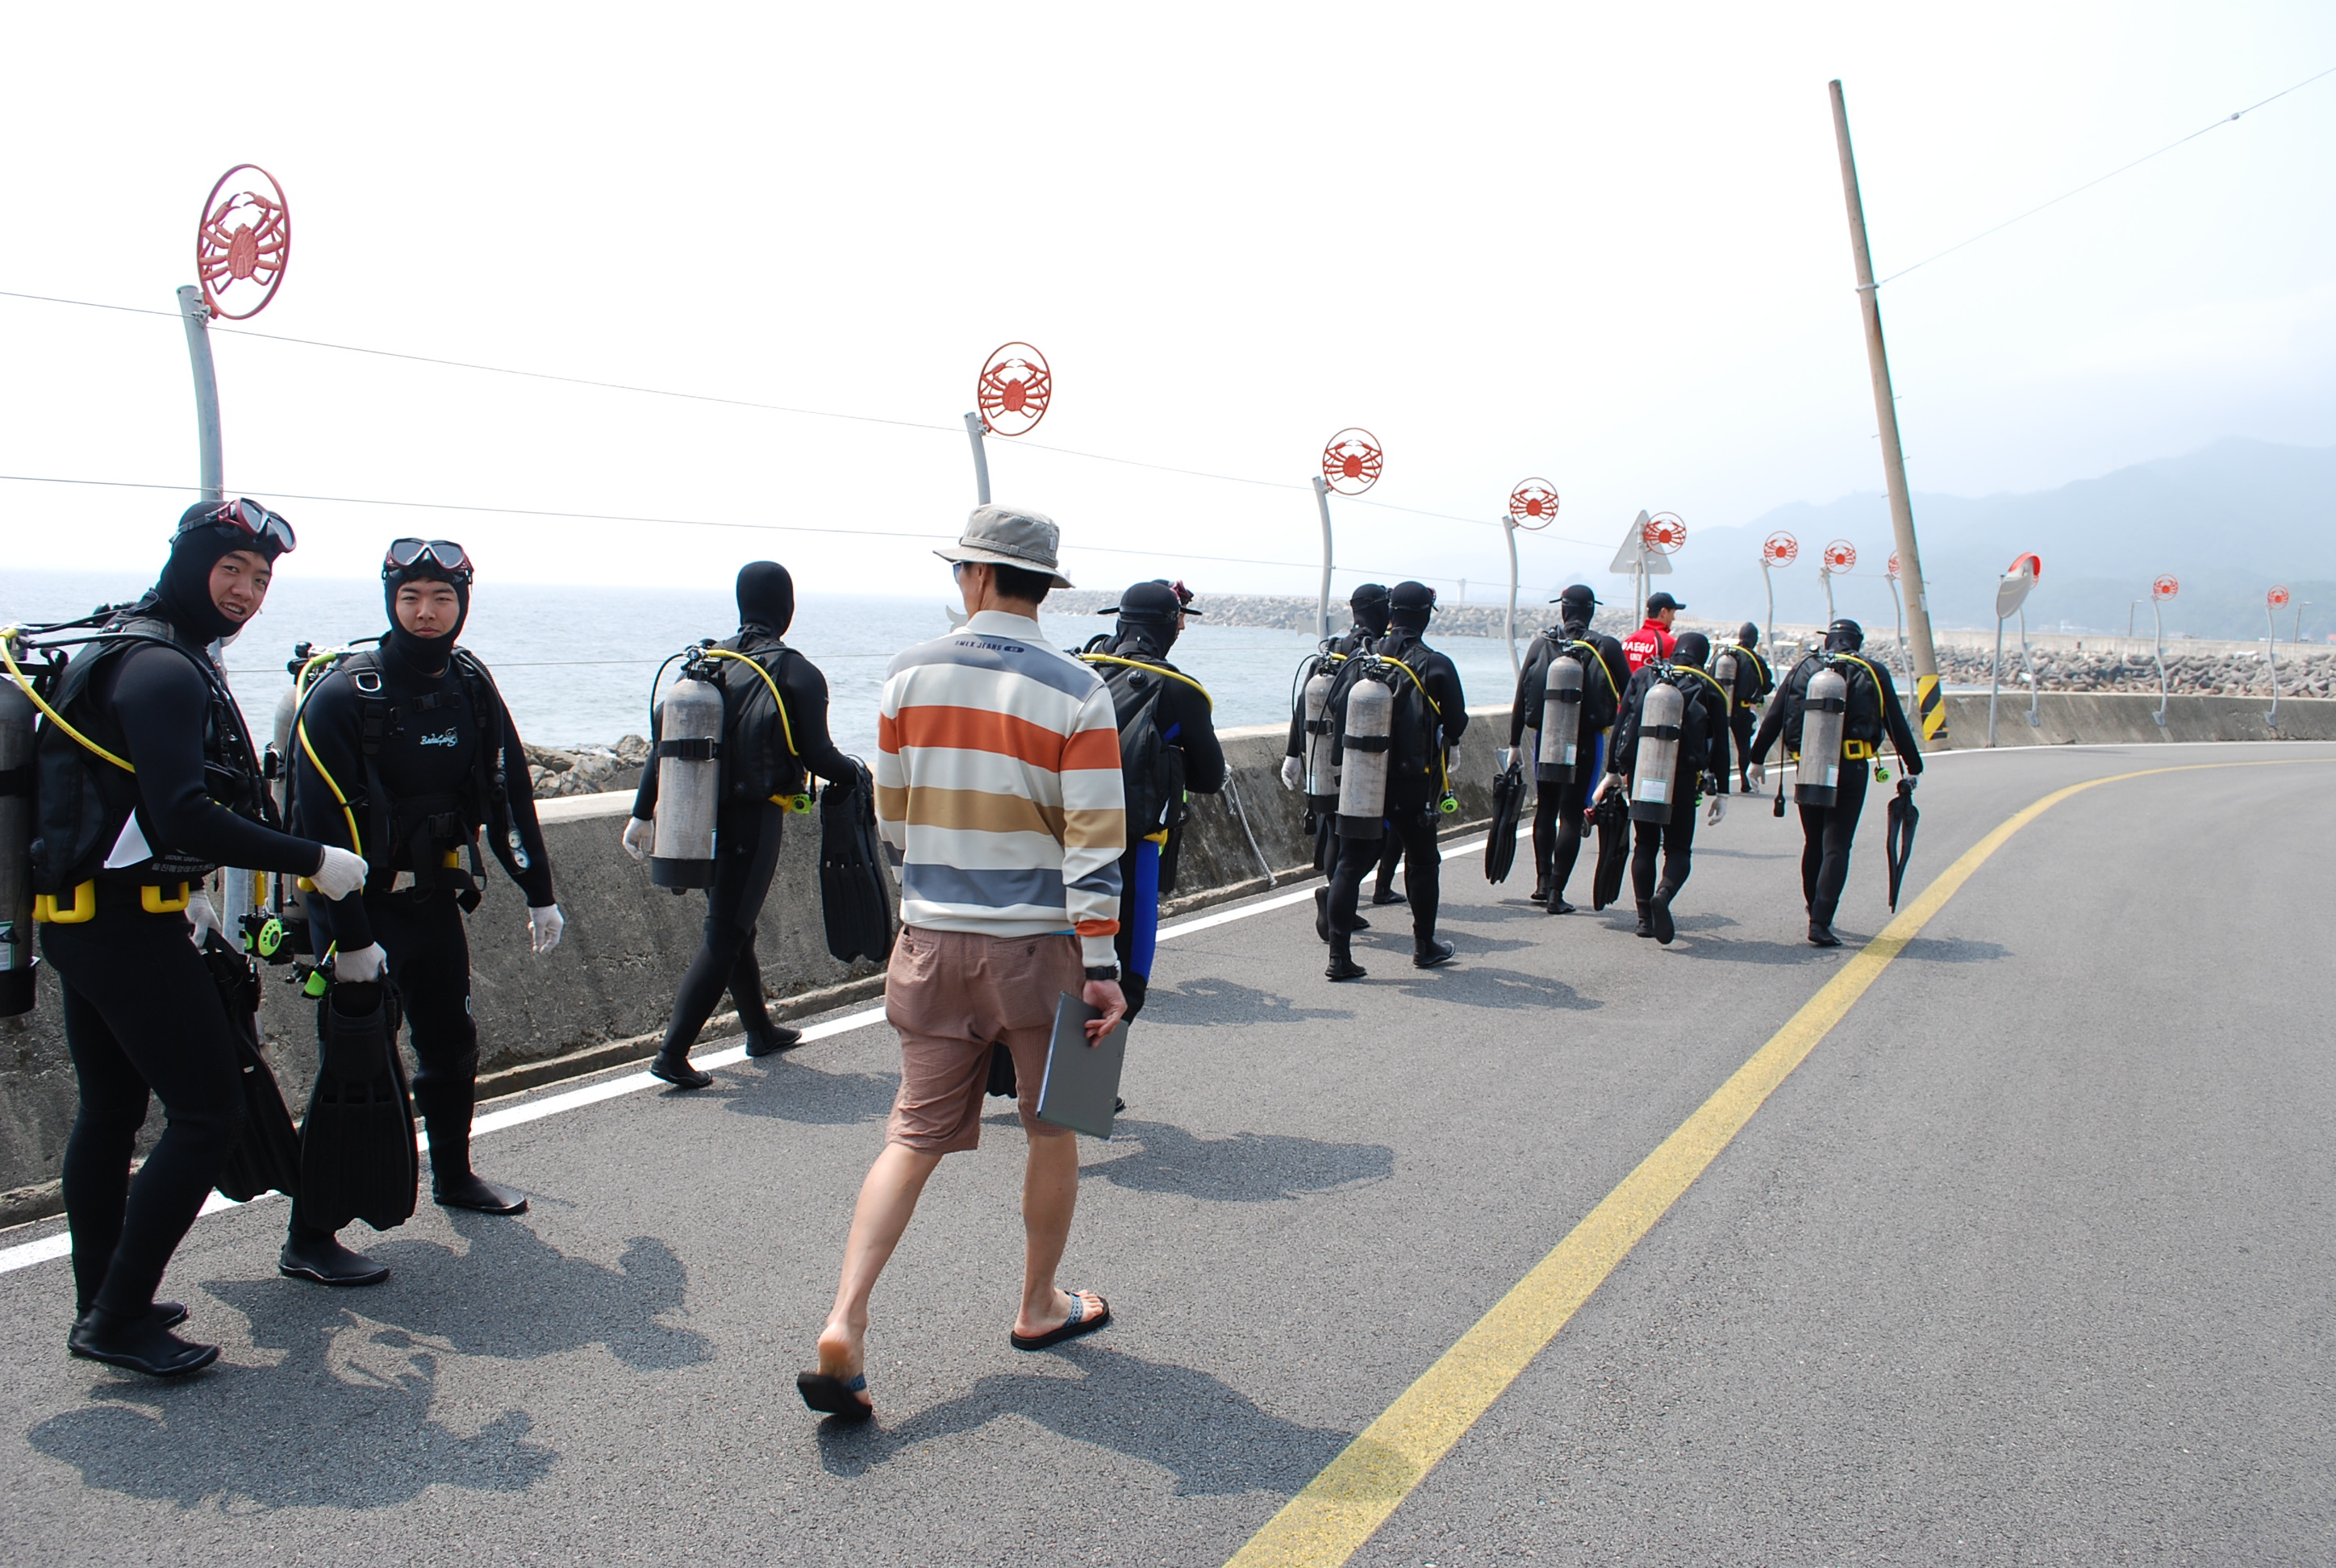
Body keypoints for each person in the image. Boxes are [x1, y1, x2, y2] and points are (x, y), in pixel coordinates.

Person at [800, 504, 1128, 1422]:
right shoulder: (1079, 689)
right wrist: (1102, 966)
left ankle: (845, 1321)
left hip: (931, 939)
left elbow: (894, 817)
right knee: (1055, 1127)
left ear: (977, 576)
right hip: (1042, 947)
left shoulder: (909, 671)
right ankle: (1038, 1305)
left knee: (912, 1135)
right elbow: (1095, 842)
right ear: (1042, 586)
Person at [26, 500, 366, 1376]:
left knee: (111, 1112)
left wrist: (187, 896)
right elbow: (184, 813)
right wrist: (315, 859)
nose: (246, 591)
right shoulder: (165, 670)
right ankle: (117, 1319)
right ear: (189, 565)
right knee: (209, 1113)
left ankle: (103, 1298)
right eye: (231, 571)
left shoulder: (127, 646)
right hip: (125, 931)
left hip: (84, 918)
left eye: (260, 579)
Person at [286, 538, 563, 1286]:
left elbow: (509, 792)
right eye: (410, 597)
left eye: (442, 598)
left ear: (463, 604)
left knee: (451, 1041)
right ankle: (309, 1235)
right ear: (390, 602)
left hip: (432, 899)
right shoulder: (344, 695)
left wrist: (538, 891)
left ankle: (455, 1175)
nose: (426, 612)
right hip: (356, 909)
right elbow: (318, 829)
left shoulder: (470, 685)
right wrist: (351, 939)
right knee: (354, 1065)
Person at [627, 562, 857, 1088]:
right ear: (787, 607)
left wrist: (642, 813)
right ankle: (672, 1053)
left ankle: (760, 1030)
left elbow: (664, 744)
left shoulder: (706, 665)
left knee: (736, 926)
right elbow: (819, 756)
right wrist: (859, 772)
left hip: (695, 814)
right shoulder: (794, 671)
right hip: (752, 818)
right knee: (725, 932)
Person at [1079, 580, 1224, 1021]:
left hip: (1062, 842)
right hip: (1133, 850)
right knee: (1126, 986)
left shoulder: (1076, 671)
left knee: (1056, 977)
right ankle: (1093, 1070)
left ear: (1119, 621)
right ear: (1171, 627)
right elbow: (1210, 778)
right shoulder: (1179, 690)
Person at [1747, 619, 1923, 947]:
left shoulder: (1803, 668)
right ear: (1858, 642)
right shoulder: (1872, 671)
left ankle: (1813, 907)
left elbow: (1775, 716)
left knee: (1813, 842)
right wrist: (1913, 766)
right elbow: (1895, 722)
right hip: (1851, 768)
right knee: (1837, 845)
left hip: (1809, 765)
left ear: (1828, 640)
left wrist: (1756, 760)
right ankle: (1821, 921)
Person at [1321, 581, 1466, 980]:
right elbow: (1456, 722)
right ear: (1425, 616)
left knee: (1349, 864)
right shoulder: (1436, 664)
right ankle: (1424, 946)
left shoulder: (1361, 658)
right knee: (1423, 862)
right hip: (1409, 782)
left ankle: (1339, 958)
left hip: (1362, 775)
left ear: (1391, 612)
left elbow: (1335, 704)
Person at [1603, 631, 1733, 944]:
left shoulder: (1644, 676)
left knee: (1644, 844)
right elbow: (1720, 746)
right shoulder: (1709, 686)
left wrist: (1612, 772)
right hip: (1683, 777)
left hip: (1643, 771)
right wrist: (1722, 792)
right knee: (1678, 849)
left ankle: (1644, 919)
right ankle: (1663, 894)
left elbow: (1622, 725)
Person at [1506, 584, 1628, 913]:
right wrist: (1621, 759)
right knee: (1571, 813)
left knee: (1546, 808)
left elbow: (1522, 696)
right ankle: (1557, 894)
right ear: (1591, 610)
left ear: (1563, 609)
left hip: (1545, 738)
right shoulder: (1606, 647)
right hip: (1587, 740)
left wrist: (1515, 743)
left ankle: (1542, 883)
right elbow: (1632, 700)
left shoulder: (1542, 644)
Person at [1722, 621, 1775, 791]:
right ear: (1754, 639)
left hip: (1722, 707)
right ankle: (1745, 782)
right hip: (1742, 709)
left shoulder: (1725, 656)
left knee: (1718, 746)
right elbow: (1767, 686)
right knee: (1743, 747)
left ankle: (1711, 781)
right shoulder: (1754, 659)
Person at [1621, 590, 1683, 674]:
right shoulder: (1668, 643)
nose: (1673, 619)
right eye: (1673, 613)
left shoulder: (1628, 641)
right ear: (1664, 612)